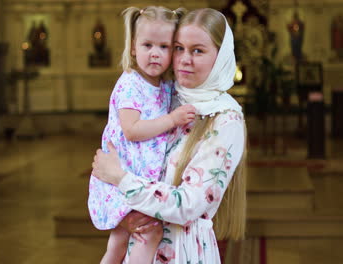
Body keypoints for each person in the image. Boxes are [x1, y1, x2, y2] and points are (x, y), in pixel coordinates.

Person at [92, 8, 247, 263]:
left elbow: (189, 204)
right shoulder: (167, 96)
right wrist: (125, 213)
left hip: (182, 250)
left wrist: (121, 179)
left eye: (197, 50)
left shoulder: (226, 118)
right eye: (178, 48)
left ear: (220, 57)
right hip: (141, 243)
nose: (185, 59)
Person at [87, 6, 196, 264]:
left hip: (140, 179)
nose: (155, 54)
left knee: (120, 242)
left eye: (164, 47)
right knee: (144, 235)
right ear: (133, 47)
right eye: (147, 45)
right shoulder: (130, 83)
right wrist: (171, 119)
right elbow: (132, 130)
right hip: (121, 178)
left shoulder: (166, 86)